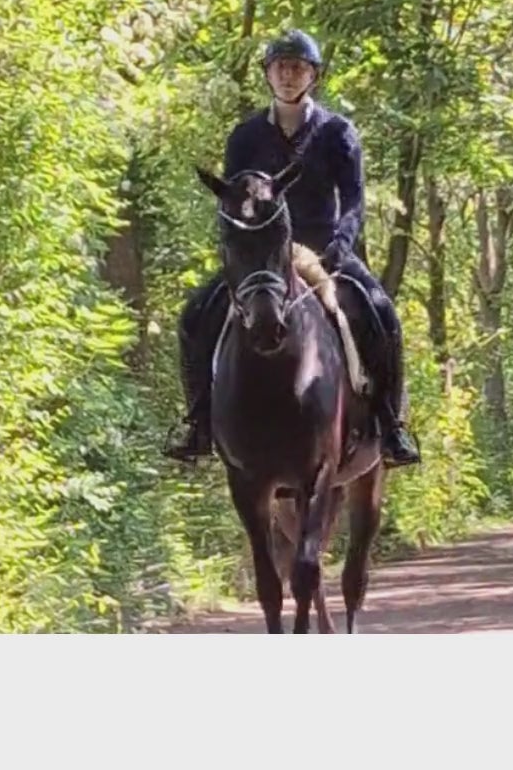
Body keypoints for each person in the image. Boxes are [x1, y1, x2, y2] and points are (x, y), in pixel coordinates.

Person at [165, 28, 421, 468]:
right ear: (267, 73)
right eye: (280, 67)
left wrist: (341, 244)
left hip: (323, 249)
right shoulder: (245, 136)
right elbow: (234, 200)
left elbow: (354, 199)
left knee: (382, 312)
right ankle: (198, 422)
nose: (288, 75)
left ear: (313, 75)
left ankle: (390, 423)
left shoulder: (338, 132)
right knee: (194, 316)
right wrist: (239, 250)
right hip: (263, 257)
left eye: (297, 68)